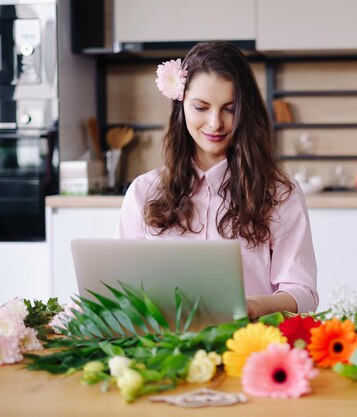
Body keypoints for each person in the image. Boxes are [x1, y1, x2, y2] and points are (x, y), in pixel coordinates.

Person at [116, 41, 318, 319]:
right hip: (163, 350)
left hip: (249, 346)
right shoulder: (144, 192)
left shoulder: (279, 192)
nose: (215, 123)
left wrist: (257, 306)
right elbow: (122, 288)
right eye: (201, 107)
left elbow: (303, 293)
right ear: (181, 106)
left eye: (230, 109)